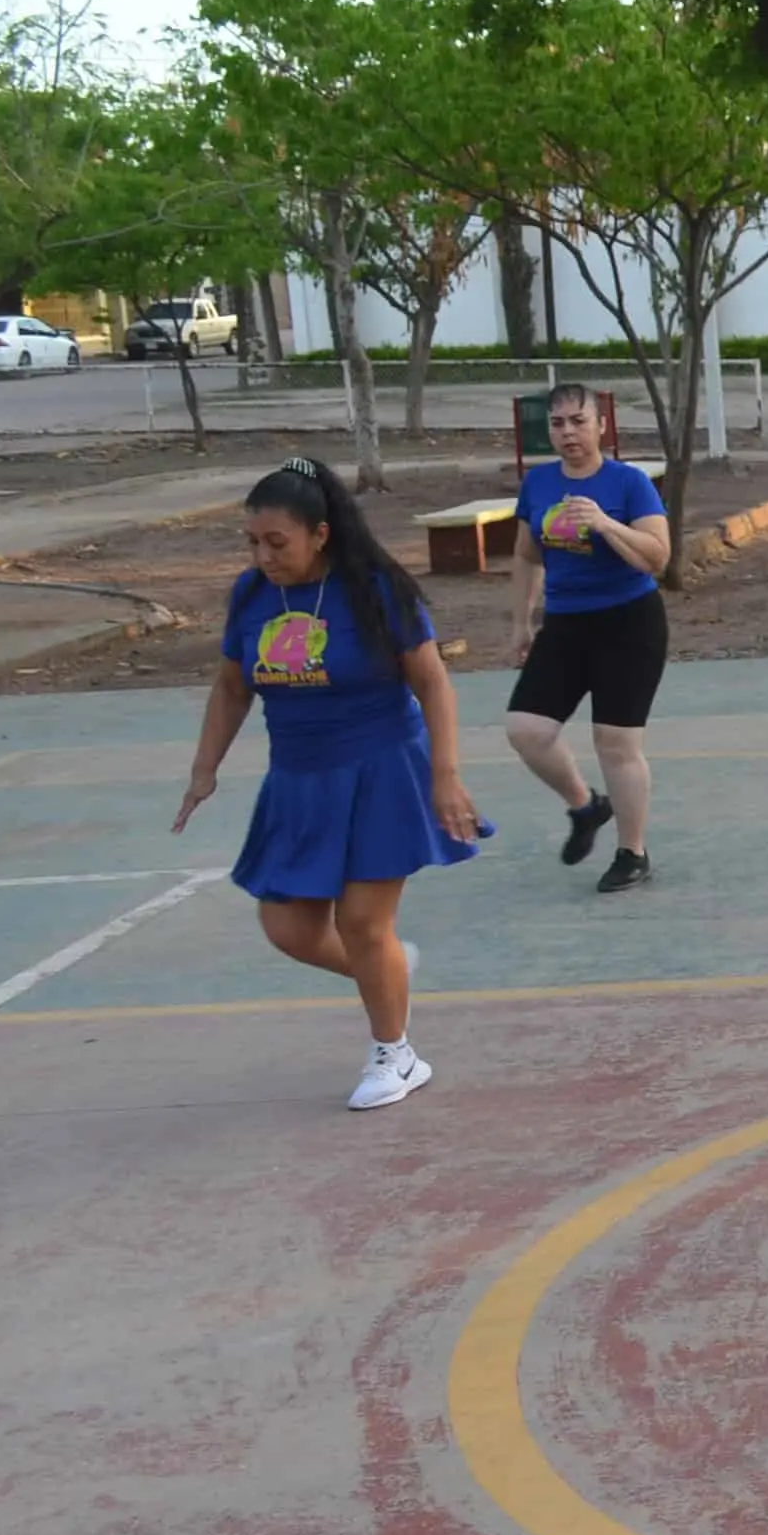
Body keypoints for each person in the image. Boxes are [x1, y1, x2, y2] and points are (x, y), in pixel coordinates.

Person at [173, 457, 486, 1110]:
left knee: (365, 921)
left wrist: (445, 776)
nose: (263, 555)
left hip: (381, 768)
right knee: (286, 925)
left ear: (320, 534)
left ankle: (395, 1055)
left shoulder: (374, 589)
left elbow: (431, 682)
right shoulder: (252, 595)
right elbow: (233, 686)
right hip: (298, 779)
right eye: (252, 542)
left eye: (276, 543)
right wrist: (205, 768)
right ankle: (389, 971)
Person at [504, 382, 672, 892]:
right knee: (526, 729)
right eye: (558, 424)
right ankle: (586, 805)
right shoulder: (538, 485)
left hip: (630, 622)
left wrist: (604, 524)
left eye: (579, 421)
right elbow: (528, 555)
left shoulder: (628, 483)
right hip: (567, 624)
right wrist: (521, 622)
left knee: (615, 742)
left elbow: (658, 557)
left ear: (602, 426)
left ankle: (632, 851)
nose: (568, 432)